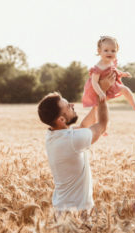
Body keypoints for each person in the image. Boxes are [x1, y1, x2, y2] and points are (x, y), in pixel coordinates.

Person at [37, 72, 115, 212]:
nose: (72, 105)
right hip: (78, 213)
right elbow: (102, 125)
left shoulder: (53, 135)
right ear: (61, 120)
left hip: (62, 211)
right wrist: (101, 93)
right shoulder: (72, 140)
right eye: (68, 106)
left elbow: (83, 127)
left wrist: (97, 103)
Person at [82, 36, 135, 130]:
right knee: (97, 108)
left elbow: (114, 70)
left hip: (111, 86)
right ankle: (94, 126)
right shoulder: (98, 67)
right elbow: (94, 82)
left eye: (113, 51)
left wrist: (123, 74)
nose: (110, 53)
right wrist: (100, 92)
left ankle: (133, 104)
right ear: (99, 51)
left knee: (125, 89)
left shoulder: (111, 62)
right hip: (99, 89)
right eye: (106, 50)